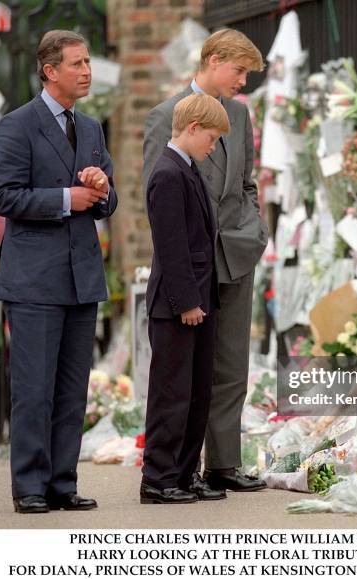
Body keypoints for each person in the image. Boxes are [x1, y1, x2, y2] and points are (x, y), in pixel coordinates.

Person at [0, 30, 118, 514]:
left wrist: (101, 187)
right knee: (34, 389)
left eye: (88, 63)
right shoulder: (17, 126)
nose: (86, 72)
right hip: (34, 279)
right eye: (78, 64)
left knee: (71, 390)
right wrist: (67, 198)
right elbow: (1, 196)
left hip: (82, 276)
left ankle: (64, 482)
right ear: (50, 71)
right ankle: (30, 486)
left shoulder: (91, 129)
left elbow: (109, 202)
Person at [142, 29, 268, 493]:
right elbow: (158, 193)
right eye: (238, 71)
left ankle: (223, 463)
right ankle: (178, 470)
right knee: (184, 371)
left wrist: (256, 230)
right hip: (193, 260)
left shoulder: (240, 115)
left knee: (231, 364)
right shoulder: (166, 116)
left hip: (237, 254)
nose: (243, 82)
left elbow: (248, 182)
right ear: (213, 60)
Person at [141, 93, 230, 504]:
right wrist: (187, 301)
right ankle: (158, 478)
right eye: (211, 138)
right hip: (178, 304)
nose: (213, 147)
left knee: (197, 391)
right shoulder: (167, 173)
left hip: (199, 300)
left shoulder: (188, 168)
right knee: (172, 392)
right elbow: (172, 246)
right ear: (192, 128)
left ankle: (185, 471)